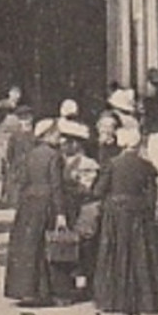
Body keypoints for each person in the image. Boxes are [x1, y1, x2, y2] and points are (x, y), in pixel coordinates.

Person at [91, 123, 158, 314]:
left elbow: (98, 191)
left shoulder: (112, 164)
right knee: (141, 255)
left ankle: (115, 298)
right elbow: (152, 195)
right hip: (139, 214)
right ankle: (143, 299)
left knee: (116, 254)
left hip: (116, 213)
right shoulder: (146, 166)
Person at [4, 119, 70, 307]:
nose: (60, 136)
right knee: (47, 247)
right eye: (57, 133)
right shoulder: (54, 156)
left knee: (29, 247)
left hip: (29, 203)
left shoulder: (30, 154)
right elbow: (57, 185)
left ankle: (27, 289)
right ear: (47, 135)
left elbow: (22, 180)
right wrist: (61, 212)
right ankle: (48, 291)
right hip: (46, 202)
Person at [59, 119, 101, 296]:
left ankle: (88, 282)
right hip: (69, 206)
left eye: (68, 141)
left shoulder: (88, 163)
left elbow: (88, 187)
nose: (64, 145)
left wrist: (74, 184)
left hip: (84, 207)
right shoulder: (61, 161)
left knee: (86, 243)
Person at [0, 106, 37, 207]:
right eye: (23, 119)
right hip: (19, 167)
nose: (26, 121)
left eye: (28, 118)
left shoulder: (36, 135)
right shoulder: (15, 136)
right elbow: (10, 154)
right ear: (19, 121)